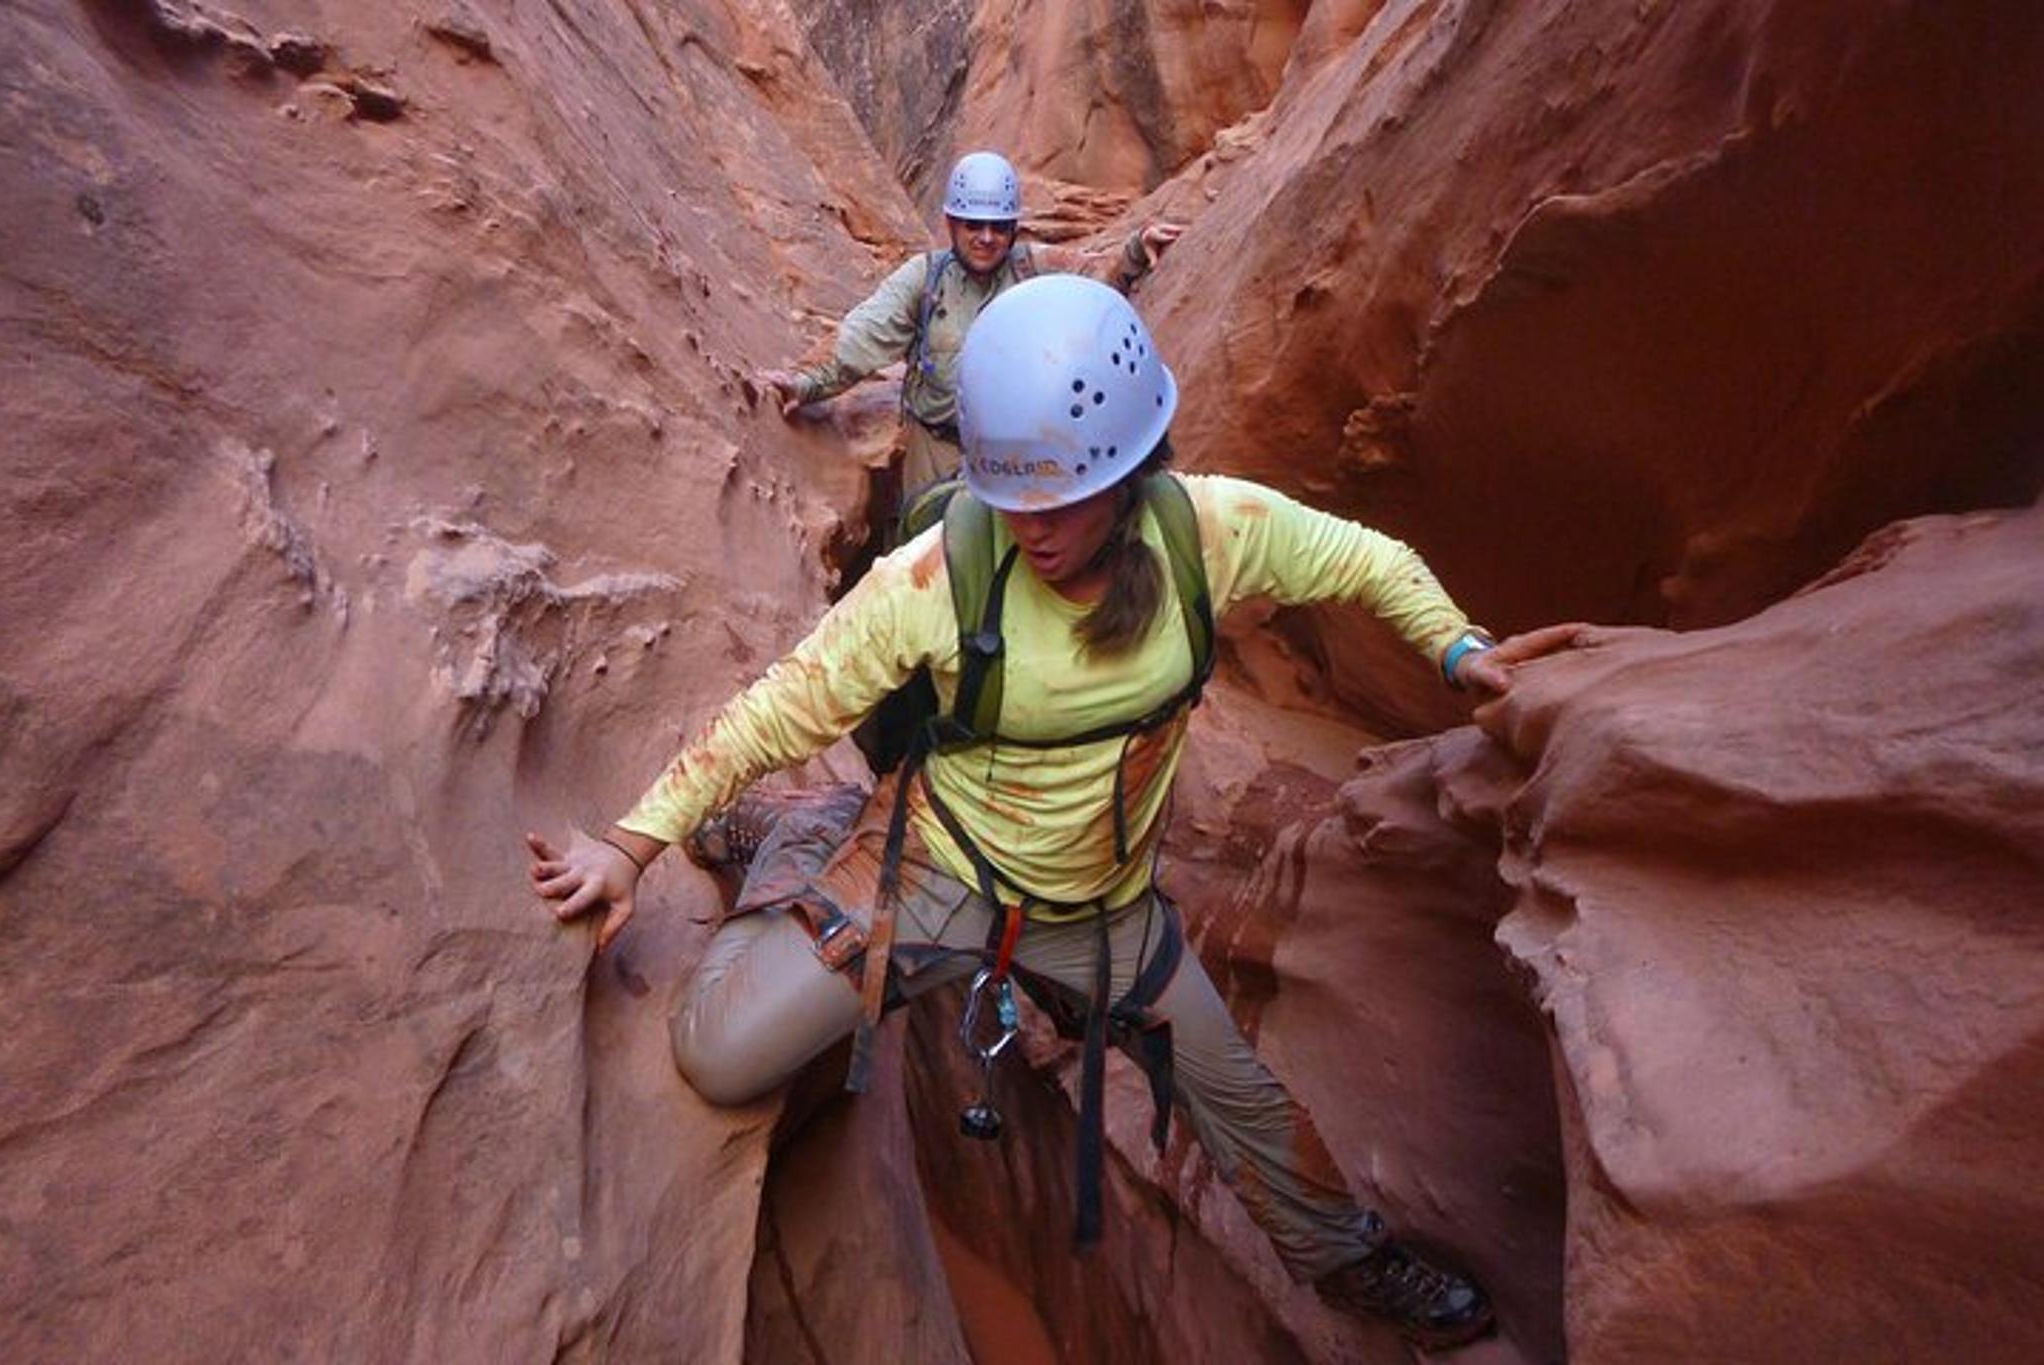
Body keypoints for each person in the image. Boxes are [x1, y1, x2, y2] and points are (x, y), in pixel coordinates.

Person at [529, 275, 1583, 1349]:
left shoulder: (1203, 534)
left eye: (1062, 500)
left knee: (1237, 1099)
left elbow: (1366, 560)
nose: (1031, 528)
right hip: (935, 873)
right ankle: (799, 832)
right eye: (1010, 498)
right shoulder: (937, 576)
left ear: (1130, 471)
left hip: (1103, 911)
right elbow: (779, 709)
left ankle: (1349, 1261)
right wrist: (629, 845)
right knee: (719, 1053)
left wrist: (1460, 649)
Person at [759, 150, 1184, 492]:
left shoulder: (1030, 268)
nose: (986, 237)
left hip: (1016, 453)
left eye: (999, 227)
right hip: (936, 452)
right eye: (973, 225)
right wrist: (801, 383)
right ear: (951, 223)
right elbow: (859, 341)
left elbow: (1092, 278)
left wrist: (1135, 249)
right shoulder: (924, 279)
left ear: (1014, 229)